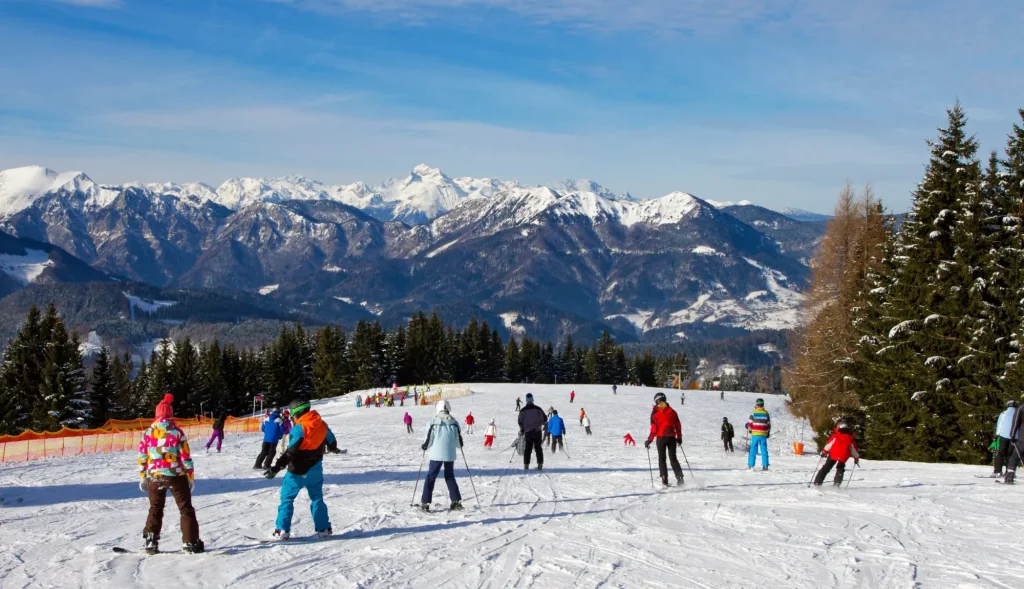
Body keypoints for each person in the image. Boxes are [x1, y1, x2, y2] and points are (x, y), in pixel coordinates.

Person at [263, 398, 342, 539]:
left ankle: (282, 530)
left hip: (296, 471)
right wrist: (332, 448)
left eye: (292, 414)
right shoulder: (322, 424)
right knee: (317, 498)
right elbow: (332, 441)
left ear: (298, 412)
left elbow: (291, 452)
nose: (292, 417)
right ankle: (323, 529)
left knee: (287, 499)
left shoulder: (299, 428)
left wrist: (275, 468)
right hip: (315, 470)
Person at [138, 394, 204, 554]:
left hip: (154, 475)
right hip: (175, 474)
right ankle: (190, 541)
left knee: (155, 507)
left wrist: (143, 476)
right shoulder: (177, 433)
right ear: (170, 414)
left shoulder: (147, 433)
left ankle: (151, 540)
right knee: (185, 508)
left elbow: (142, 456)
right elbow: (185, 456)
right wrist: (190, 476)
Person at [419, 400, 465, 511]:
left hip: (436, 455)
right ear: (448, 408)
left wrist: (425, 446)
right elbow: (459, 442)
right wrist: (460, 445)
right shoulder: (454, 423)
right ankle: (456, 501)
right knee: (450, 476)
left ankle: (425, 503)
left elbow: (429, 439)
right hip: (449, 455)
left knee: (431, 477)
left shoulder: (433, 422)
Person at [645, 392, 684, 487]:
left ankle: (664, 478)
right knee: (673, 458)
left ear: (657, 400)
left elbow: (654, 429)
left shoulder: (655, 412)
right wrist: (679, 438)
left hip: (661, 438)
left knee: (662, 459)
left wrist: (649, 440)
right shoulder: (673, 411)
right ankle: (680, 478)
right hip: (671, 438)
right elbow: (678, 426)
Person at [813, 418, 860, 486]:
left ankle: (817, 482)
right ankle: (837, 484)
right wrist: (856, 458)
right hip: (843, 455)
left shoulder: (836, 435)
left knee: (826, 467)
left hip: (833, 454)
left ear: (839, 426)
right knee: (840, 468)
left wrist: (824, 452)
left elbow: (829, 444)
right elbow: (854, 450)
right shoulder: (850, 438)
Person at [518, 393, 546, 470]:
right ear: (532, 399)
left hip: (528, 432)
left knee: (528, 448)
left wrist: (522, 429)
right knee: (538, 448)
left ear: (526, 400)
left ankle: (526, 464)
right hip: (537, 431)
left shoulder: (523, 410)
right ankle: (540, 463)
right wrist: (542, 423)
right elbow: (544, 419)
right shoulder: (538, 409)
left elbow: (520, 421)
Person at [1002, 395, 1024, 484]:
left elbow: (1015, 423)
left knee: (1015, 455)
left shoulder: (1020, 409)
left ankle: (1009, 476)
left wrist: (1012, 435)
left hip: (1022, 437)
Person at [992, 400, 1017, 477]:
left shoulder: (1003, 414)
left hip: (1004, 436)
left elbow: (1000, 425)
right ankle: (1009, 472)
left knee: (1000, 453)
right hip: (1014, 437)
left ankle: (997, 471)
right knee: (1010, 455)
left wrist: (996, 435)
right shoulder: (1018, 413)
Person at [746, 398, 771, 471]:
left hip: (755, 434)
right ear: (763, 404)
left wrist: (750, 430)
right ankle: (765, 465)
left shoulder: (753, 412)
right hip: (763, 435)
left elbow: (750, 423)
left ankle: (751, 465)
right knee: (764, 450)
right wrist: (768, 432)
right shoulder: (766, 413)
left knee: (753, 449)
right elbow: (768, 424)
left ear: (756, 404)